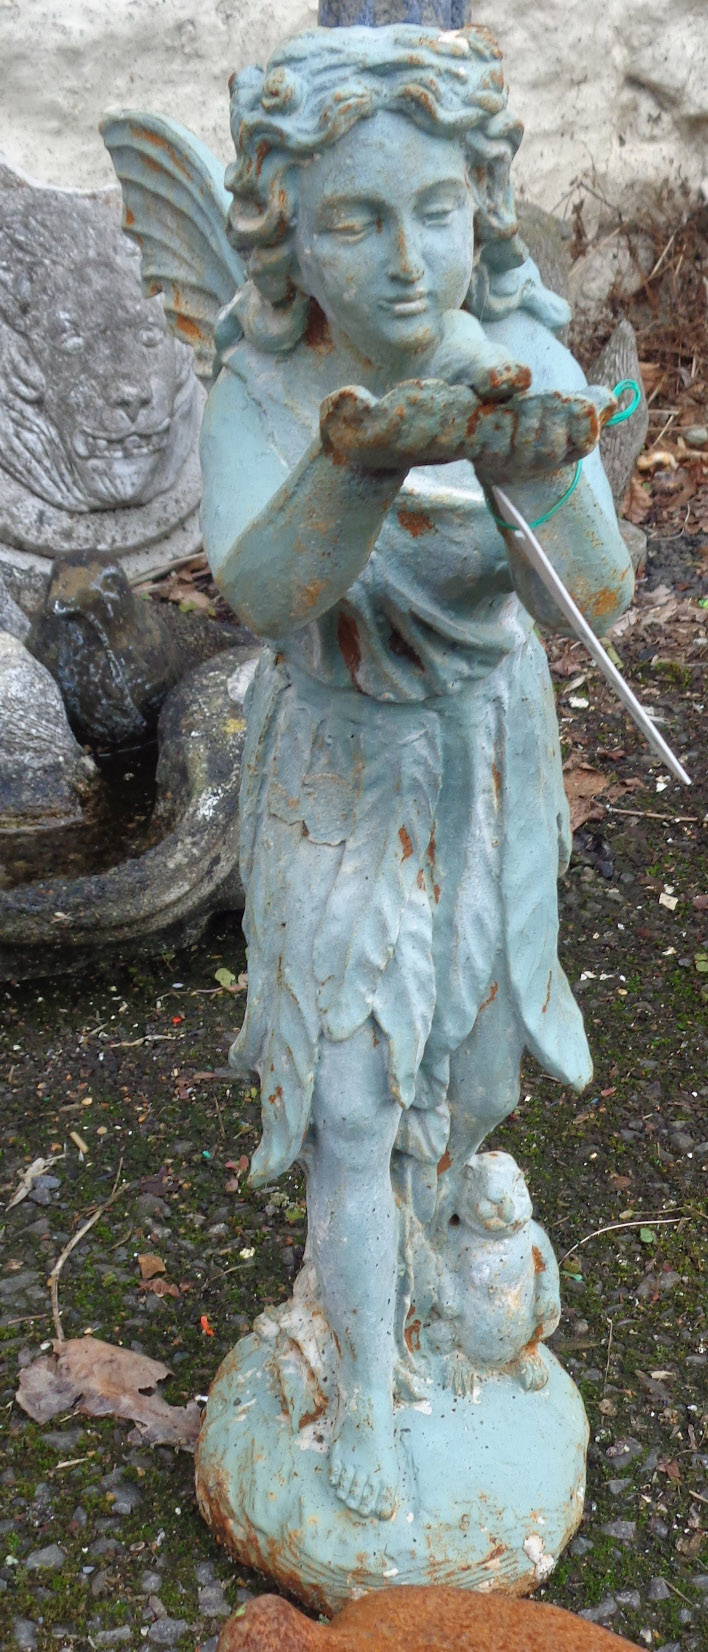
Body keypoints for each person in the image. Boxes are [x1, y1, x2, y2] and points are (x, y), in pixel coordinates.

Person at [199, 23, 633, 1522]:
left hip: (489, 761)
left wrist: (541, 463)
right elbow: (265, 591)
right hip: (343, 762)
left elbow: (605, 585)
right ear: (288, 234)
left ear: (481, 207)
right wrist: (363, 458)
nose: (403, 260)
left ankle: (443, 1287)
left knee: (473, 1075)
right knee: (354, 1094)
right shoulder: (265, 377)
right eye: (354, 220)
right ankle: (366, 1400)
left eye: (433, 213)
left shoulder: (521, 343)